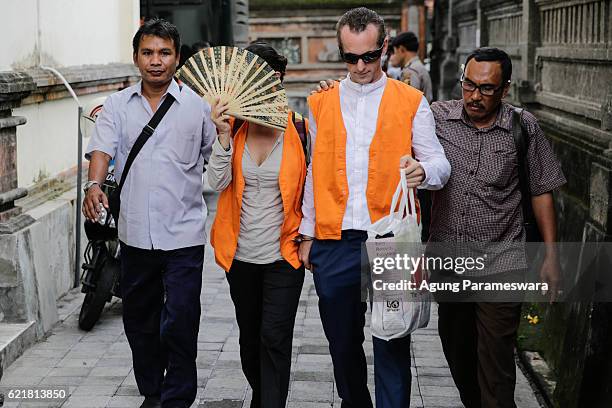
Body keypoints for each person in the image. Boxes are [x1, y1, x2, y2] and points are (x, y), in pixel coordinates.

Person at [297, 7, 451, 408]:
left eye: (369, 56)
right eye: (350, 57)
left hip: (391, 239)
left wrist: (424, 170)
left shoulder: (411, 100)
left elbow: (440, 164)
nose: (361, 66)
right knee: (342, 343)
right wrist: (307, 233)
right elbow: (315, 171)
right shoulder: (320, 103)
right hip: (335, 241)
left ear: (384, 47)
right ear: (340, 52)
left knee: (392, 339)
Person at [82, 18, 216, 408]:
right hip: (135, 234)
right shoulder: (117, 106)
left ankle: (176, 398)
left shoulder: (198, 108)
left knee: (180, 319)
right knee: (139, 321)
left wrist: (225, 134)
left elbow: (218, 162)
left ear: (177, 58)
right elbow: (102, 149)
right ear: (136, 57)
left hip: (184, 236)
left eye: (164, 53)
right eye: (148, 53)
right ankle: (153, 391)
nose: (156, 61)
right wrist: (93, 185)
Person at [429, 47, 566, 408]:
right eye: (469, 85)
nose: (475, 96)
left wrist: (551, 257)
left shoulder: (523, 127)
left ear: (504, 89)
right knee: (457, 348)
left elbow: (541, 191)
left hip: (502, 260)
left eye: (486, 89)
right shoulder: (437, 117)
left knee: (497, 358)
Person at [207, 42, 307, 408]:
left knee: (274, 336)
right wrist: (220, 137)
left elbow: (311, 191)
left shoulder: (301, 130)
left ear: (276, 80)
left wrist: (308, 236)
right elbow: (216, 184)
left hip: (284, 255)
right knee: (250, 340)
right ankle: (262, 394)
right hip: (241, 256)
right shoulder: (232, 129)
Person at [392, 31, 433, 103]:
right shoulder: (418, 67)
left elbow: (407, 102)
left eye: (395, 52)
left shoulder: (410, 71)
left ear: (402, 49)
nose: (394, 56)